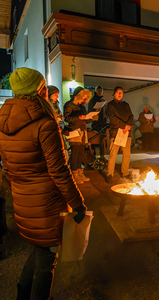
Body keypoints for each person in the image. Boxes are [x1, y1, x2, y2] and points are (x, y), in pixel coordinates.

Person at [0, 67, 87, 299]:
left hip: (23, 202)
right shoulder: (44, 123)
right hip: (46, 204)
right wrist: (77, 203)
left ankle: (21, 294)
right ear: (39, 90)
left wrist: (20, 191)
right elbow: (59, 171)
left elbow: (7, 169)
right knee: (47, 260)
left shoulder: (4, 121)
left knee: (40, 250)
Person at [64, 86, 95, 184]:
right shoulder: (69, 105)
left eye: (85, 98)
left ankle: (79, 172)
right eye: (83, 98)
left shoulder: (82, 106)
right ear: (77, 96)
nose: (84, 100)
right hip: (74, 131)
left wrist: (92, 118)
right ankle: (74, 175)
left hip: (83, 131)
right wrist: (78, 117)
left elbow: (84, 118)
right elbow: (67, 118)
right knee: (75, 154)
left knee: (81, 153)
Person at [106, 86, 134, 183]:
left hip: (127, 132)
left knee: (127, 154)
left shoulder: (126, 104)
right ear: (114, 94)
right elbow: (112, 118)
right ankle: (110, 173)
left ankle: (125, 173)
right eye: (118, 92)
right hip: (116, 131)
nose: (120, 94)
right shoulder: (110, 105)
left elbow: (131, 116)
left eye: (121, 92)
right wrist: (124, 126)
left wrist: (128, 125)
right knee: (113, 154)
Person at [88, 85, 107, 161]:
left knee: (101, 140)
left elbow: (105, 112)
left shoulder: (103, 100)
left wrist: (105, 120)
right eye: (98, 91)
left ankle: (102, 156)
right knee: (94, 139)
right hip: (95, 122)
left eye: (101, 91)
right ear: (95, 91)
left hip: (102, 123)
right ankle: (94, 156)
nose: (100, 92)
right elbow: (89, 110)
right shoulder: (92, 100)